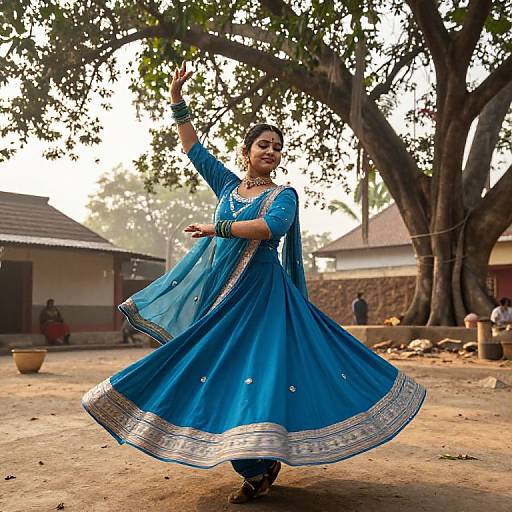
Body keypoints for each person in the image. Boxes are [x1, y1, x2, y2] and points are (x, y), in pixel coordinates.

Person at [82, 62, 426, 504]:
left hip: (263, 299)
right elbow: (193, 148)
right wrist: (176, 99)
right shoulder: (227, 187)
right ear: (246, 151)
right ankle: (255, 465)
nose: (272, 151)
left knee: (257, 377)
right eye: (264, 144)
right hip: (221, 298)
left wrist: (217, 229)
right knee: (215, 373)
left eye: (278, 147)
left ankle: (258, 467)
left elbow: (270, 229)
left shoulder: (284, 195)